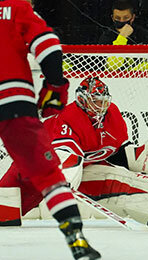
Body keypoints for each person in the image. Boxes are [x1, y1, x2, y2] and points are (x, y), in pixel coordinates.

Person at [2, 77, 148, 228]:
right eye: (96, 101)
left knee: (117, 181)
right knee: (5, 215)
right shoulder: (67, 118)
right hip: (31, 171)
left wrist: (144, 156)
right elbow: (66, 157)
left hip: (78, 171)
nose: (102, 106)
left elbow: (117, 153)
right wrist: (65, 181)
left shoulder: (112, 115)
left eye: (104, 100)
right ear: (82, 100)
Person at [0, 1, 100, 259]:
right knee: (48, 175)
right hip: (13, 100)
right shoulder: (15, 7)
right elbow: (48, 45)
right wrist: (55, 86)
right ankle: (76, 238)